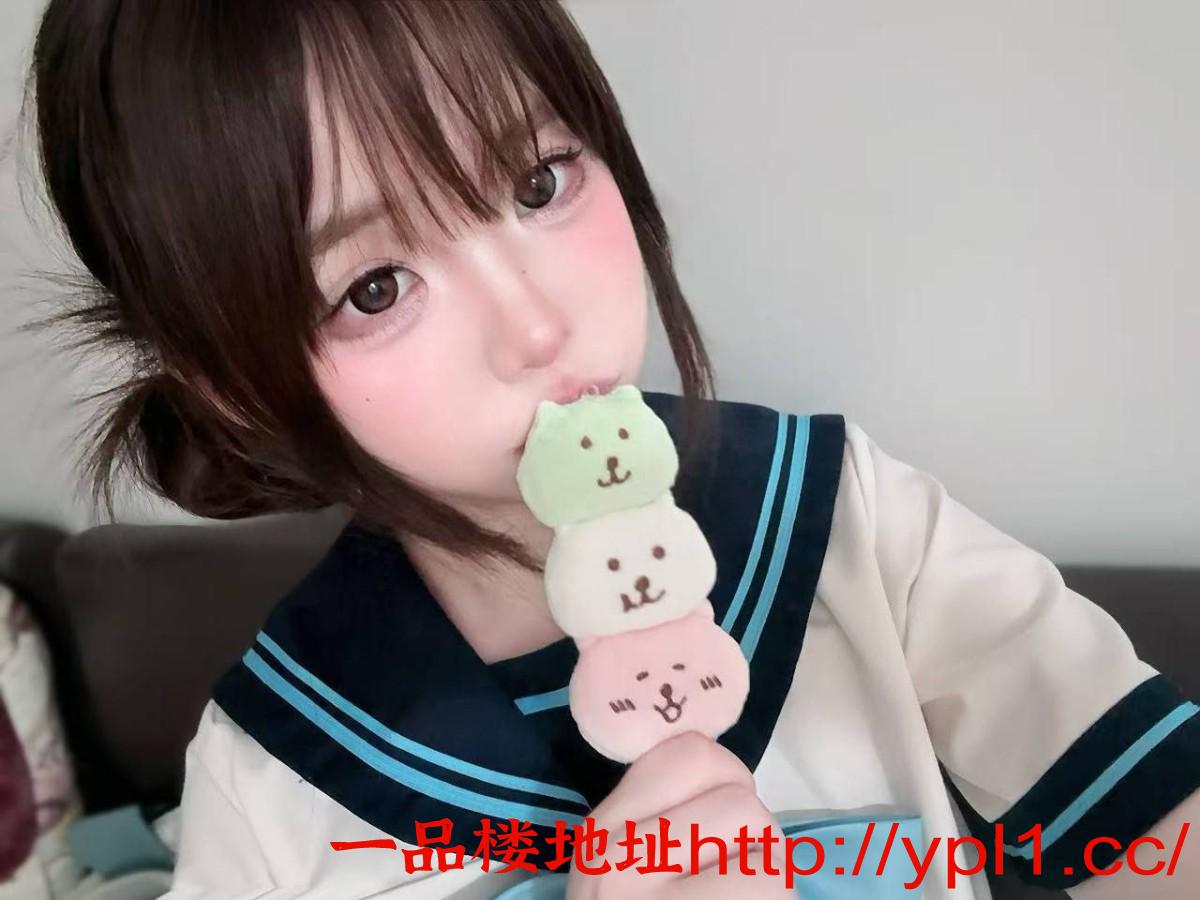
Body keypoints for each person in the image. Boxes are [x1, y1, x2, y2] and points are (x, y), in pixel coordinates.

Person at [24, 1, 1199, 897]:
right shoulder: (277, 772)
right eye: (376, 285)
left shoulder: (848, 520)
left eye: (538, 180)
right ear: (237, 387)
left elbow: (1150, 822)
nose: (536, 325)